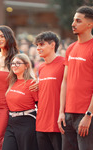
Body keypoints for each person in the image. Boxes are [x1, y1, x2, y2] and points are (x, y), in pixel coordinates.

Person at [58, 6, 93, 150]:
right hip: (68, 115)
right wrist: (61, 112)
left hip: (86, 115)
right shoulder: (71, 48)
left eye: (78, 21)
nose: (73, 24)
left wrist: (89, 114)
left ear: (90, 24)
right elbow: (65, 80)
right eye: (73, 20)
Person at [34, 31, 65, 150]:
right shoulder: (41, 67)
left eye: (41, 44)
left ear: (53, 45)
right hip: (41, 123)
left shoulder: (64, 63)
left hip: (58, 123)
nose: (38, 48)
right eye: (37, 45)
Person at [2, 53, 39, 150]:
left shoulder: (32, 83)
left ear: (26, 66)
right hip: (11, 122)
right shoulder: (12, 82)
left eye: (18, 63)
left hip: (27, 123)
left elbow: (40, 105)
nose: (14, 66)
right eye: (13, 63)